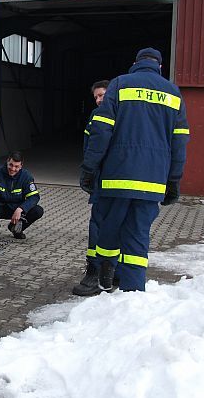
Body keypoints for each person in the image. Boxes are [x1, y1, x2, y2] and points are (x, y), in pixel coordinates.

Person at [78, 48, 189, 293]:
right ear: (160, 67)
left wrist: (89, 168)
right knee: (138, 237)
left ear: (135, 64)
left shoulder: (120, 84)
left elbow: (101, 130)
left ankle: (105, 273)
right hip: (152, 183)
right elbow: (179, 142)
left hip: (116, 178)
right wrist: (173, 181)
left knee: (108, 226)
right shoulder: (173, 93)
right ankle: (133, 292)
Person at [73, 80, 111, 296]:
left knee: (98, 226)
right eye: (96, 96)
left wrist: (87, 173)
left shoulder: (105, 117)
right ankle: (111, 272)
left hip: (106, 182)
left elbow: (95, 151)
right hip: (103, 180)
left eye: (103, 94)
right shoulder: (95, 117)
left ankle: (94, 272)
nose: (99, 100)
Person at [0, 152, 44, 239]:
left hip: (16, 209)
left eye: (16, 166)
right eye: (11, 165)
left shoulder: (26, 176)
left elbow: (34, 197)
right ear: (7, 162)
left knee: (38, 211)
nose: (13, 169)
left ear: (21, 166)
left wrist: (21, 209)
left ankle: (15, 229)